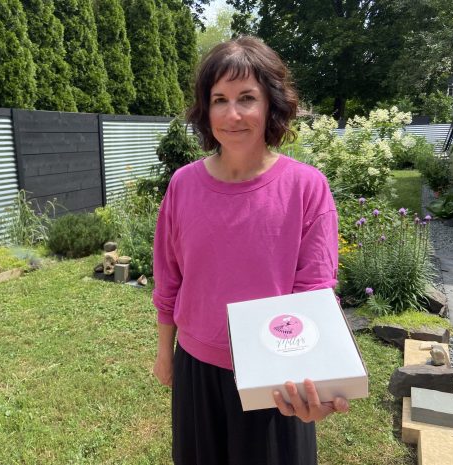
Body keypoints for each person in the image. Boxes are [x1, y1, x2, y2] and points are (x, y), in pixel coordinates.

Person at [152, 36, 349, 465]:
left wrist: (319, 380)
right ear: (206, 110)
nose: (233, 114)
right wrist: (164, 351)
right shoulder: (183, 185)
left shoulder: (305, 187)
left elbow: (315, 292)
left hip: (276, 373)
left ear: (271, 105)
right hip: (197, 369)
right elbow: (169, 277)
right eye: (219, 99)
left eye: (247, 98)